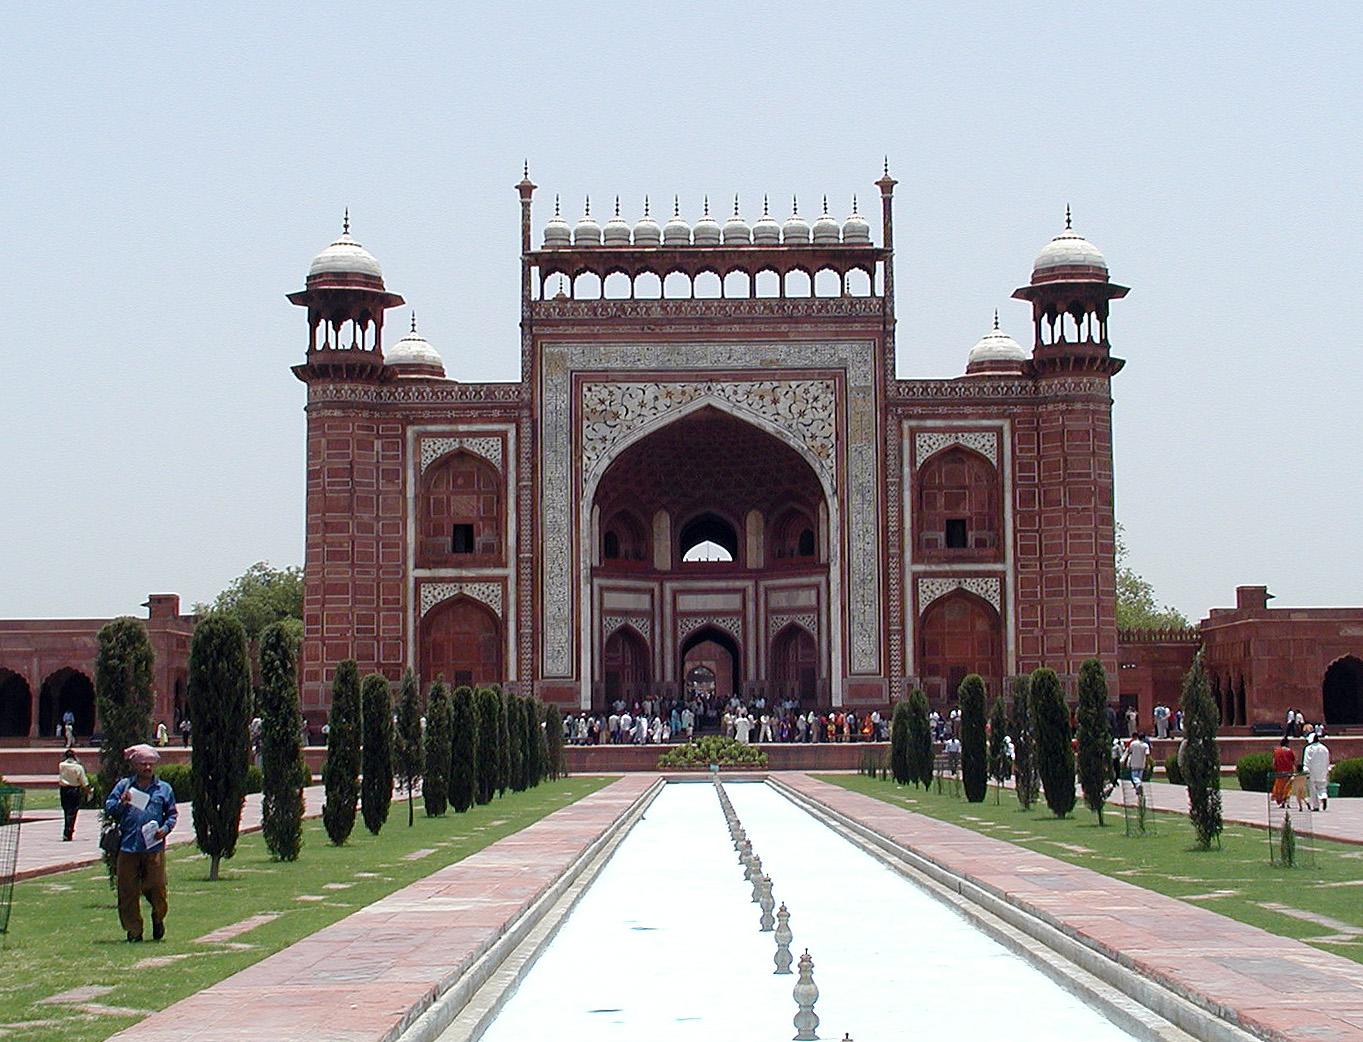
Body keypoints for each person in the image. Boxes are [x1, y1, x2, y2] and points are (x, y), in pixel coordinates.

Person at [104, 744, 177, 942]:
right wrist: (122, 802)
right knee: (127, 891)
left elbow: (171, 815)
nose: (147, 767)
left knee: (157, 887)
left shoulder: (164, 789)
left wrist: (166, 829)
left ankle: (158, 917)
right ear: (134, 765)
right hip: (128, 846)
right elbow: (109, 808)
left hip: (153, 848)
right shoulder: (124, 786)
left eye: (150, 764)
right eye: (143, 764)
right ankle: (133, 930)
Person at [57, 748, 90, 841]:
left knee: (66, 811)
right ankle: (68, 832)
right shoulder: (78, 767)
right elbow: (83, 781)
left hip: (64, 790)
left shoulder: (61, 765)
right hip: (74, 790)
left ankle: (66, 831)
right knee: (72, 811)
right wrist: (88, 790)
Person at [1303, 732, 1330, 812]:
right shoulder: (1324, 748)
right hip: (1322, 771)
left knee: (1313, 789)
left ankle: (1315, 806)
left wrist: (1306, 769)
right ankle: (1323, 796)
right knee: (1322, 787)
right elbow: (1327, 760)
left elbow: (1307, 760)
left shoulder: (1309, 748)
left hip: (1312, 771)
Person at [1271, 737, 1295, 808]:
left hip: (1279, 772)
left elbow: (1274, 762)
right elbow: (1293, 761)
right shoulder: (1290, 751)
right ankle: (1285, 801)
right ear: (1287, 744)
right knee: (1287, 787)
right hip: (1288, 772)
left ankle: (1280, 801)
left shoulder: (1276, 751)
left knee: (1279, 788)